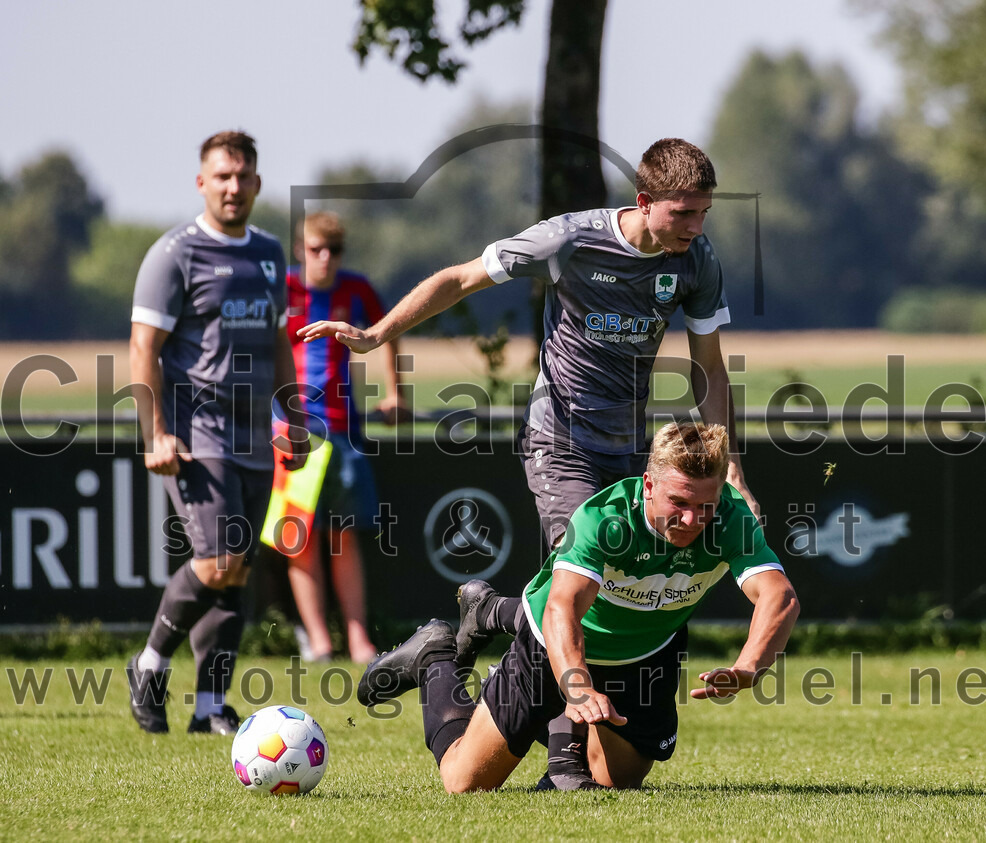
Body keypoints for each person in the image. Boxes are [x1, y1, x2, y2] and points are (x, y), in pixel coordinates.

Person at [299, 137, 760, 784]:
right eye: (682, 213)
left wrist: (730, 464)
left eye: (703, 213)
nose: (695, 227)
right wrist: (376, 336)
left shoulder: (696, 261)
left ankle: (480, 621)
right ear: (643, 201)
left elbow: (707, 367)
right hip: (560, 441)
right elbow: (460, 278)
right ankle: (565, 759)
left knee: (612, 588)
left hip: (631, 451)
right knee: (581, 576)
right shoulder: (569, 240)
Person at [355, 422, 799, 792]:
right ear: (648, 485)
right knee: (464, 782)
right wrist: (578, 686)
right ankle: (434, 656)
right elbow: (563, 609)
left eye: (705, 506)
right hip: (554, 643)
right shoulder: (604, 520)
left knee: (615, 782)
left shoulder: (731, 520)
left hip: (646, 654)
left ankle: (497, 629)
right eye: (679, 503)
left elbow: (779, 597)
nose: (691, 520)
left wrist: (749, 666)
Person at [126, 130, 307, 735]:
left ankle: (209, 708)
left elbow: (279, 343)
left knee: (239, 570)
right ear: (201, 182)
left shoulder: (269, 253)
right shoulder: (174, 254)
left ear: (257, 183)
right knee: (219, 559)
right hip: (195, 432)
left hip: (255, 435)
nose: (233, 187)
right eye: (222, 176)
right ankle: (149, 664)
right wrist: (156, 432)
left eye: (242, 176)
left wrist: (293, 418)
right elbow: (143, 348)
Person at [283, 210, 407, 663]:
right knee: (299, 538)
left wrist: (396, 392)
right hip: (292, 430)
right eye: (316, 249)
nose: (325, 258)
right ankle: (319, 640)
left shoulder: (356, 288)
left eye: (333, 250)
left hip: (344, 429)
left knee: (344, 536)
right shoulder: (282, 288)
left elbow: (388, 331)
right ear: (301, 250)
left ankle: (358, 640)